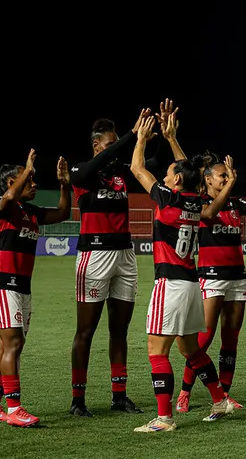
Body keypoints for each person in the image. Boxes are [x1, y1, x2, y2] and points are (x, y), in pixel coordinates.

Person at [129, 111, 234, 432]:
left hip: (171, 283)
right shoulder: (194, 202)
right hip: (191, 283)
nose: (165, 174)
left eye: (169, 172)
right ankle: (220, 399)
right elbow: (191, 176)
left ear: (175, 180)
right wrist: (172, 139)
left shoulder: (169, 198)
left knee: (156, 350)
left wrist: (141, 140)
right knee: (190, 348)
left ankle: (164, 418)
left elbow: (136, 168)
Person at [70, 105, 172, 417]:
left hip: (125, 255)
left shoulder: (120, 173)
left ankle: (119, 395)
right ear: (96, 145)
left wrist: (161, 137)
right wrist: (129, 135)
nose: (114, 149)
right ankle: (78, 400)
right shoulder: (81, 172)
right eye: (109, 143)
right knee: (85, 331)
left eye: (116, 143)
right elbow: (91, 169)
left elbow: (153, 164)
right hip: (94, 256)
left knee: (120, 330)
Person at [175, 150, 246, 412]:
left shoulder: (235, 204)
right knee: (203, 340)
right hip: (211, 278)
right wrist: (231, 184)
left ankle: (224, 395)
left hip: (237, 279)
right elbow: (207, 215)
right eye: (222, 176)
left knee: (231, 340)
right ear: (207, 179)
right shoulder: (200, 202)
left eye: (227, 175)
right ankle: (184, 393)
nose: (226, 178)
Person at [0, 149, 71, 427]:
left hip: (21, 287)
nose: (34, 184)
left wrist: (65, 184)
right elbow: (8, 198)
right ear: (11, 183)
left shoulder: (30, 212)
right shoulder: (4, 207)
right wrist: (28, 166)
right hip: (0, 284)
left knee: (8, 346)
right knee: (14, 344)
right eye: (28, 179)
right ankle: (14, 409)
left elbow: (64, 212)